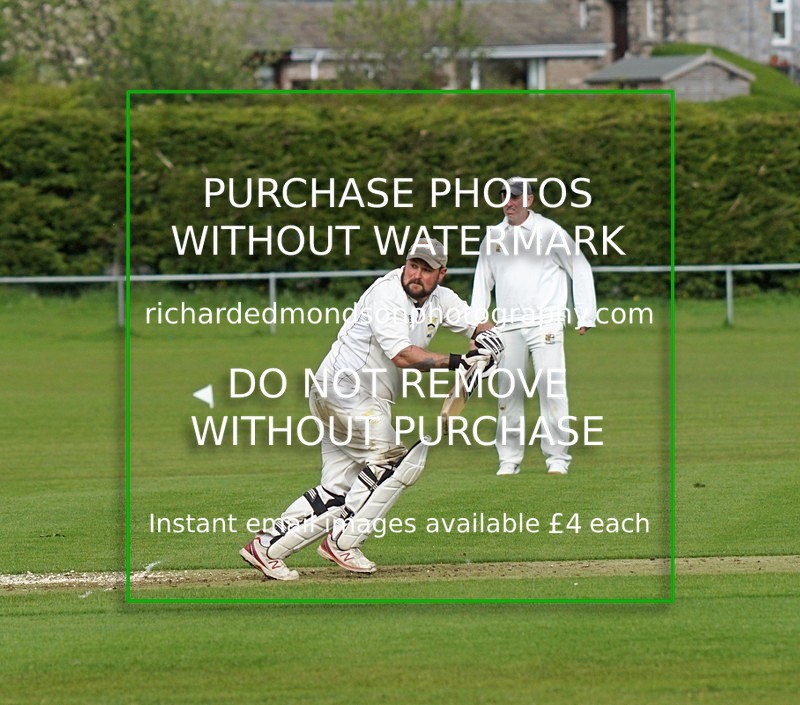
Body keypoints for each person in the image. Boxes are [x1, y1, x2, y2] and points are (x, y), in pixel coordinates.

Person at [241, 238, 503, 580]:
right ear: (405, 263)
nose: (417, 275)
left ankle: (266, 547)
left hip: (359, 399)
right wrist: (460, 361)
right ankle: (344, 542)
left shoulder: (443, 300)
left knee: (338, 490)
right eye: (413, 265)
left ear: (441, 273)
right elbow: (404, 355)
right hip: (345, 392)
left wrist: (488, 343)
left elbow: (480, 325)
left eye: (426, 270)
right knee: (394, 465)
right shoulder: (386, 295)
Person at [470, 177, 597, 476]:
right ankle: (509, 460)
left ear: (530, 200)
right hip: (508, 326)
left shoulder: (549, 231)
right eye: (504, 196)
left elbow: (579, 266)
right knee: (508, 393)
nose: (509, 203)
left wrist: (585, 314)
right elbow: (481, 282)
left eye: (515, 197)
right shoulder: (493, 237)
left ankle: (557, 459)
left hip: (546, 323)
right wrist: (477, 328)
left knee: (551, 390)